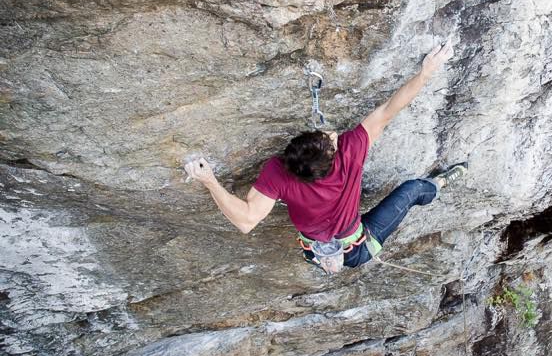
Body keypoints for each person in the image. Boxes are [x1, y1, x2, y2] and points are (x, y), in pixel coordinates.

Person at [184, 42, 467, 272]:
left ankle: (325, 258)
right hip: (356, 250)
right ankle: (439, 184)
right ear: (333, 159)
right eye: (329, 142)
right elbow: (388, 110)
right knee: (413, 189)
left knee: (401, 195)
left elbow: (246, 220)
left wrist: (209, 180)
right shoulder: (350, 151)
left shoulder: (279, 170)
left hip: (316, 251)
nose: (332, 135)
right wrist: (425, 74)